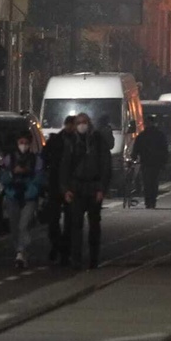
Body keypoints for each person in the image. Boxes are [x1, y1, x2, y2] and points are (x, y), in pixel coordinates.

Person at [60, 113, 112, 269]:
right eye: (79, 123)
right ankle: (76, 258)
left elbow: (105, 165)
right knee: (76, 225)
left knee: (94, 224)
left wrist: (102, 188)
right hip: (76, 188)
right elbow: (64, 167)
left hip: (93, 187)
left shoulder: (97, 141)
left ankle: (94, 259)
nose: (82, 125)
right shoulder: (70, 143)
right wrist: (66, 189)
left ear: (89, 124)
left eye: (84, 122)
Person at [0, 133, 44, 269]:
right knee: (14, 227)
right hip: (13, 196)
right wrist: (13, 173)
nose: (23, 145)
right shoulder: (9, 159)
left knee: (23, 225)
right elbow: (2, 177)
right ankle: (20, 251)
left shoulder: (36, 160)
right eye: (21, 142)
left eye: (26, 142)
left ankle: (21, 252)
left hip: (29, 197)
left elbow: (40, 179)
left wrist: (28, 175)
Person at [43, 116, 75, 265]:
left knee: (70, 221)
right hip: (55, 184)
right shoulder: (55, 140)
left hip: (72, 185)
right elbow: (44, 158)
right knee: (53, 220)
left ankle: (65, 251)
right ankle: (57, 245)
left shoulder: (79, 141)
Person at [132, 115, 170, 209]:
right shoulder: (159, 135)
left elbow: (136, 148)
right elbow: (165, 149)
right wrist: (164, 162)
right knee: (153, 182)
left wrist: (134, 157)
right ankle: (152, 201)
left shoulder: (142, 135)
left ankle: (149, 201)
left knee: (147, 182)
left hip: (147, 162)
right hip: (154, 163)